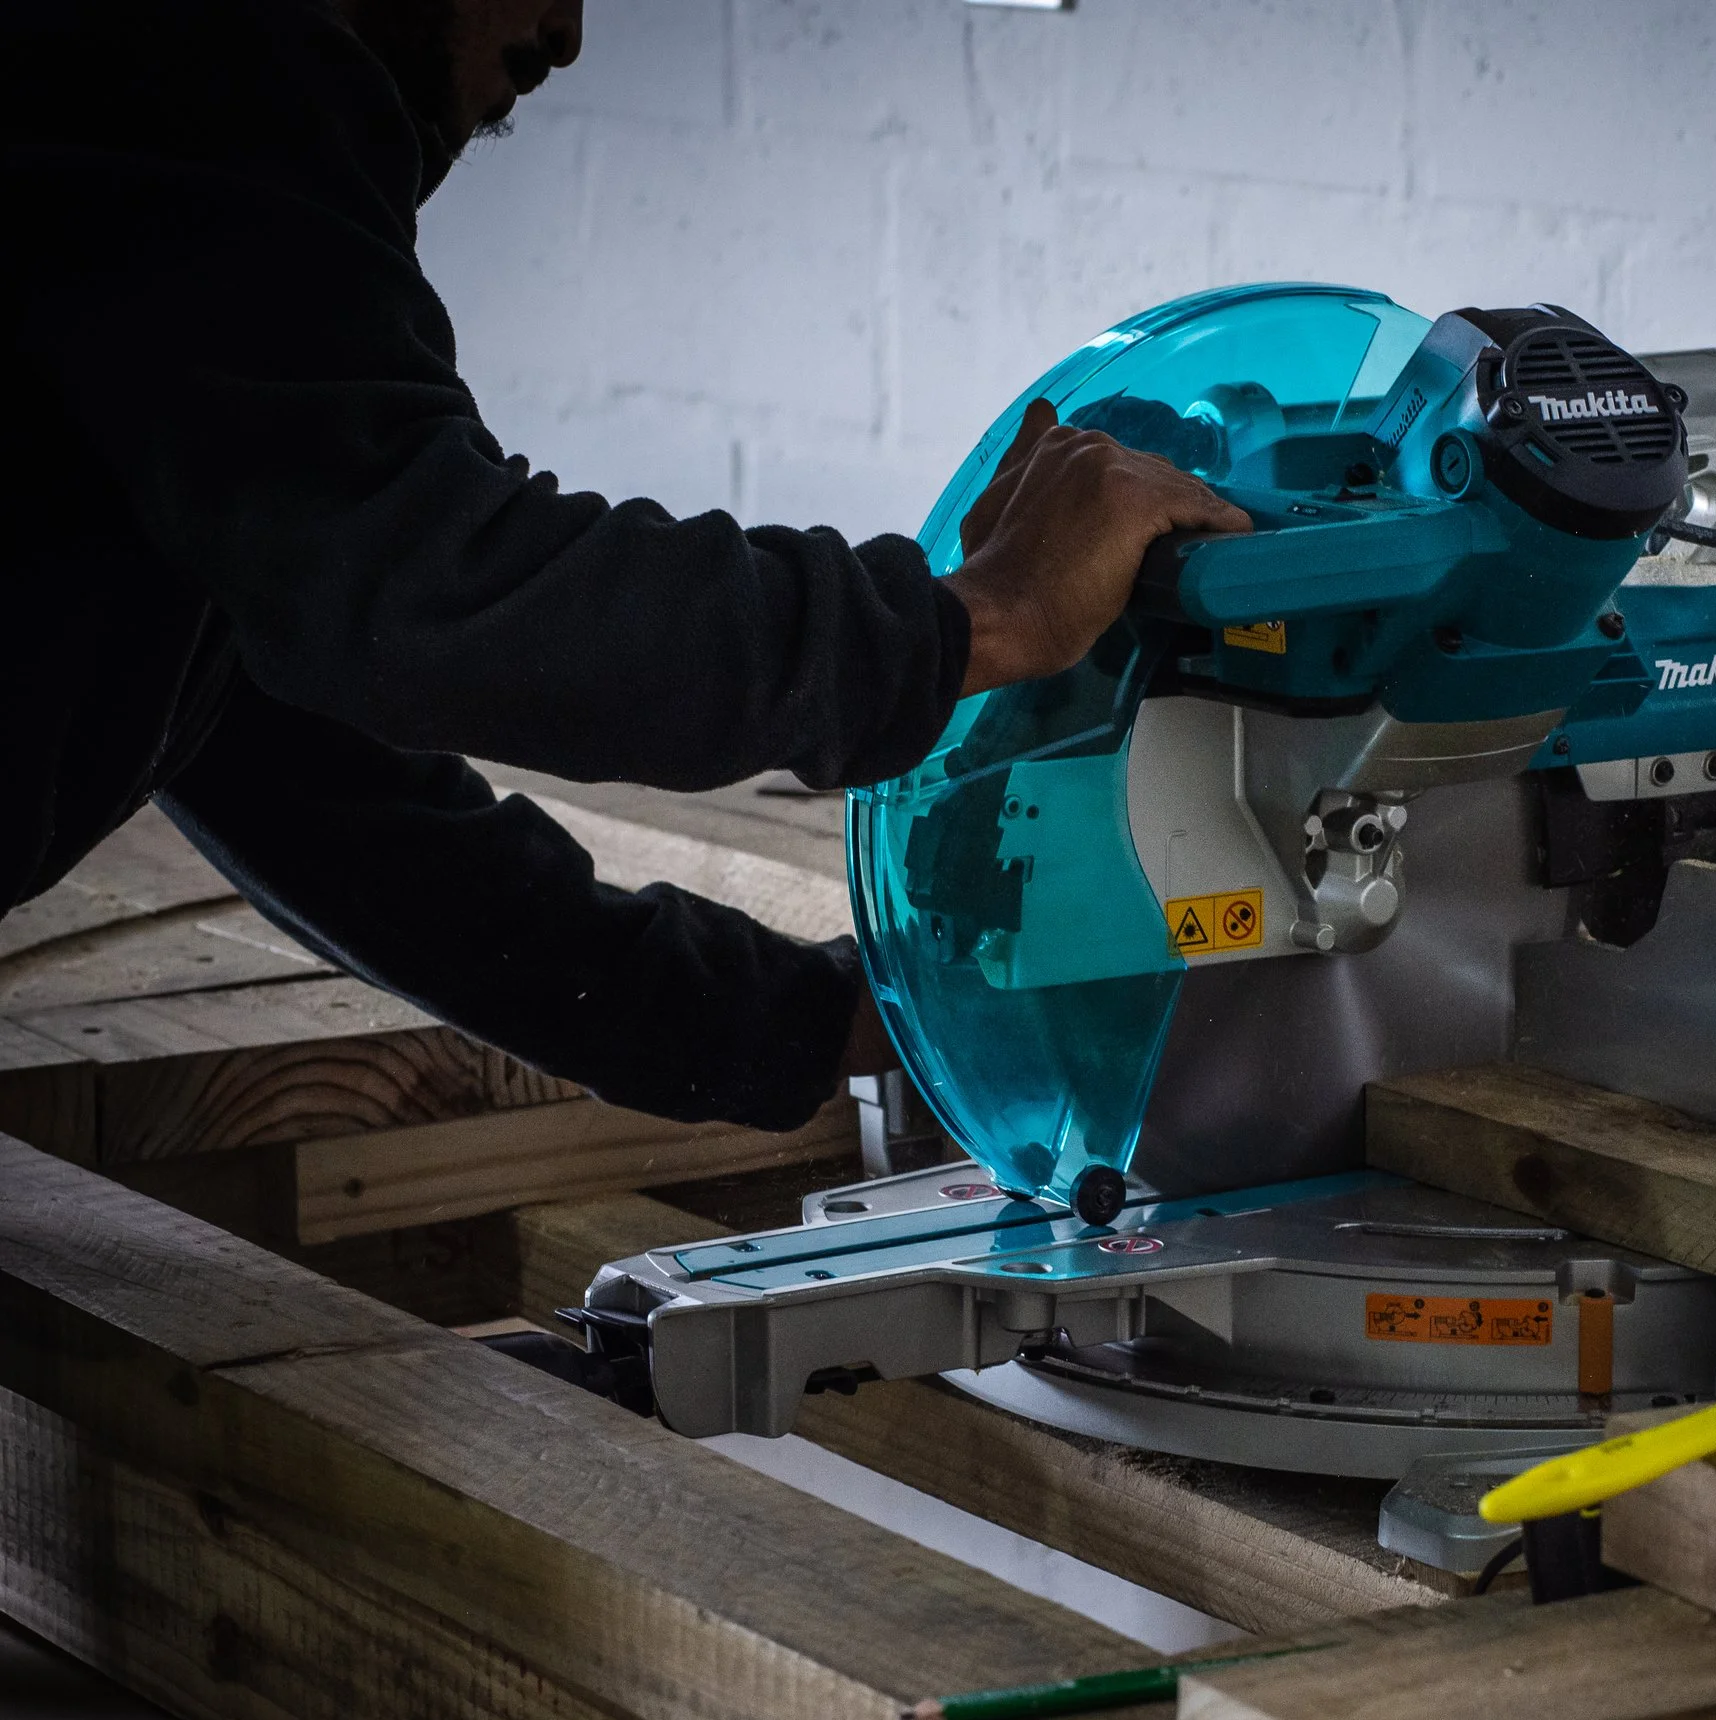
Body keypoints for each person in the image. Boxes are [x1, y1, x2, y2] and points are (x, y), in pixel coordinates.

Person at [5, 0, 1248, 1129]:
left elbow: (321, 794)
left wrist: (818, 1016)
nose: (568, 31)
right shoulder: (168, 70)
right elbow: (441, 590)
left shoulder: (144, 160)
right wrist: (981, 617)